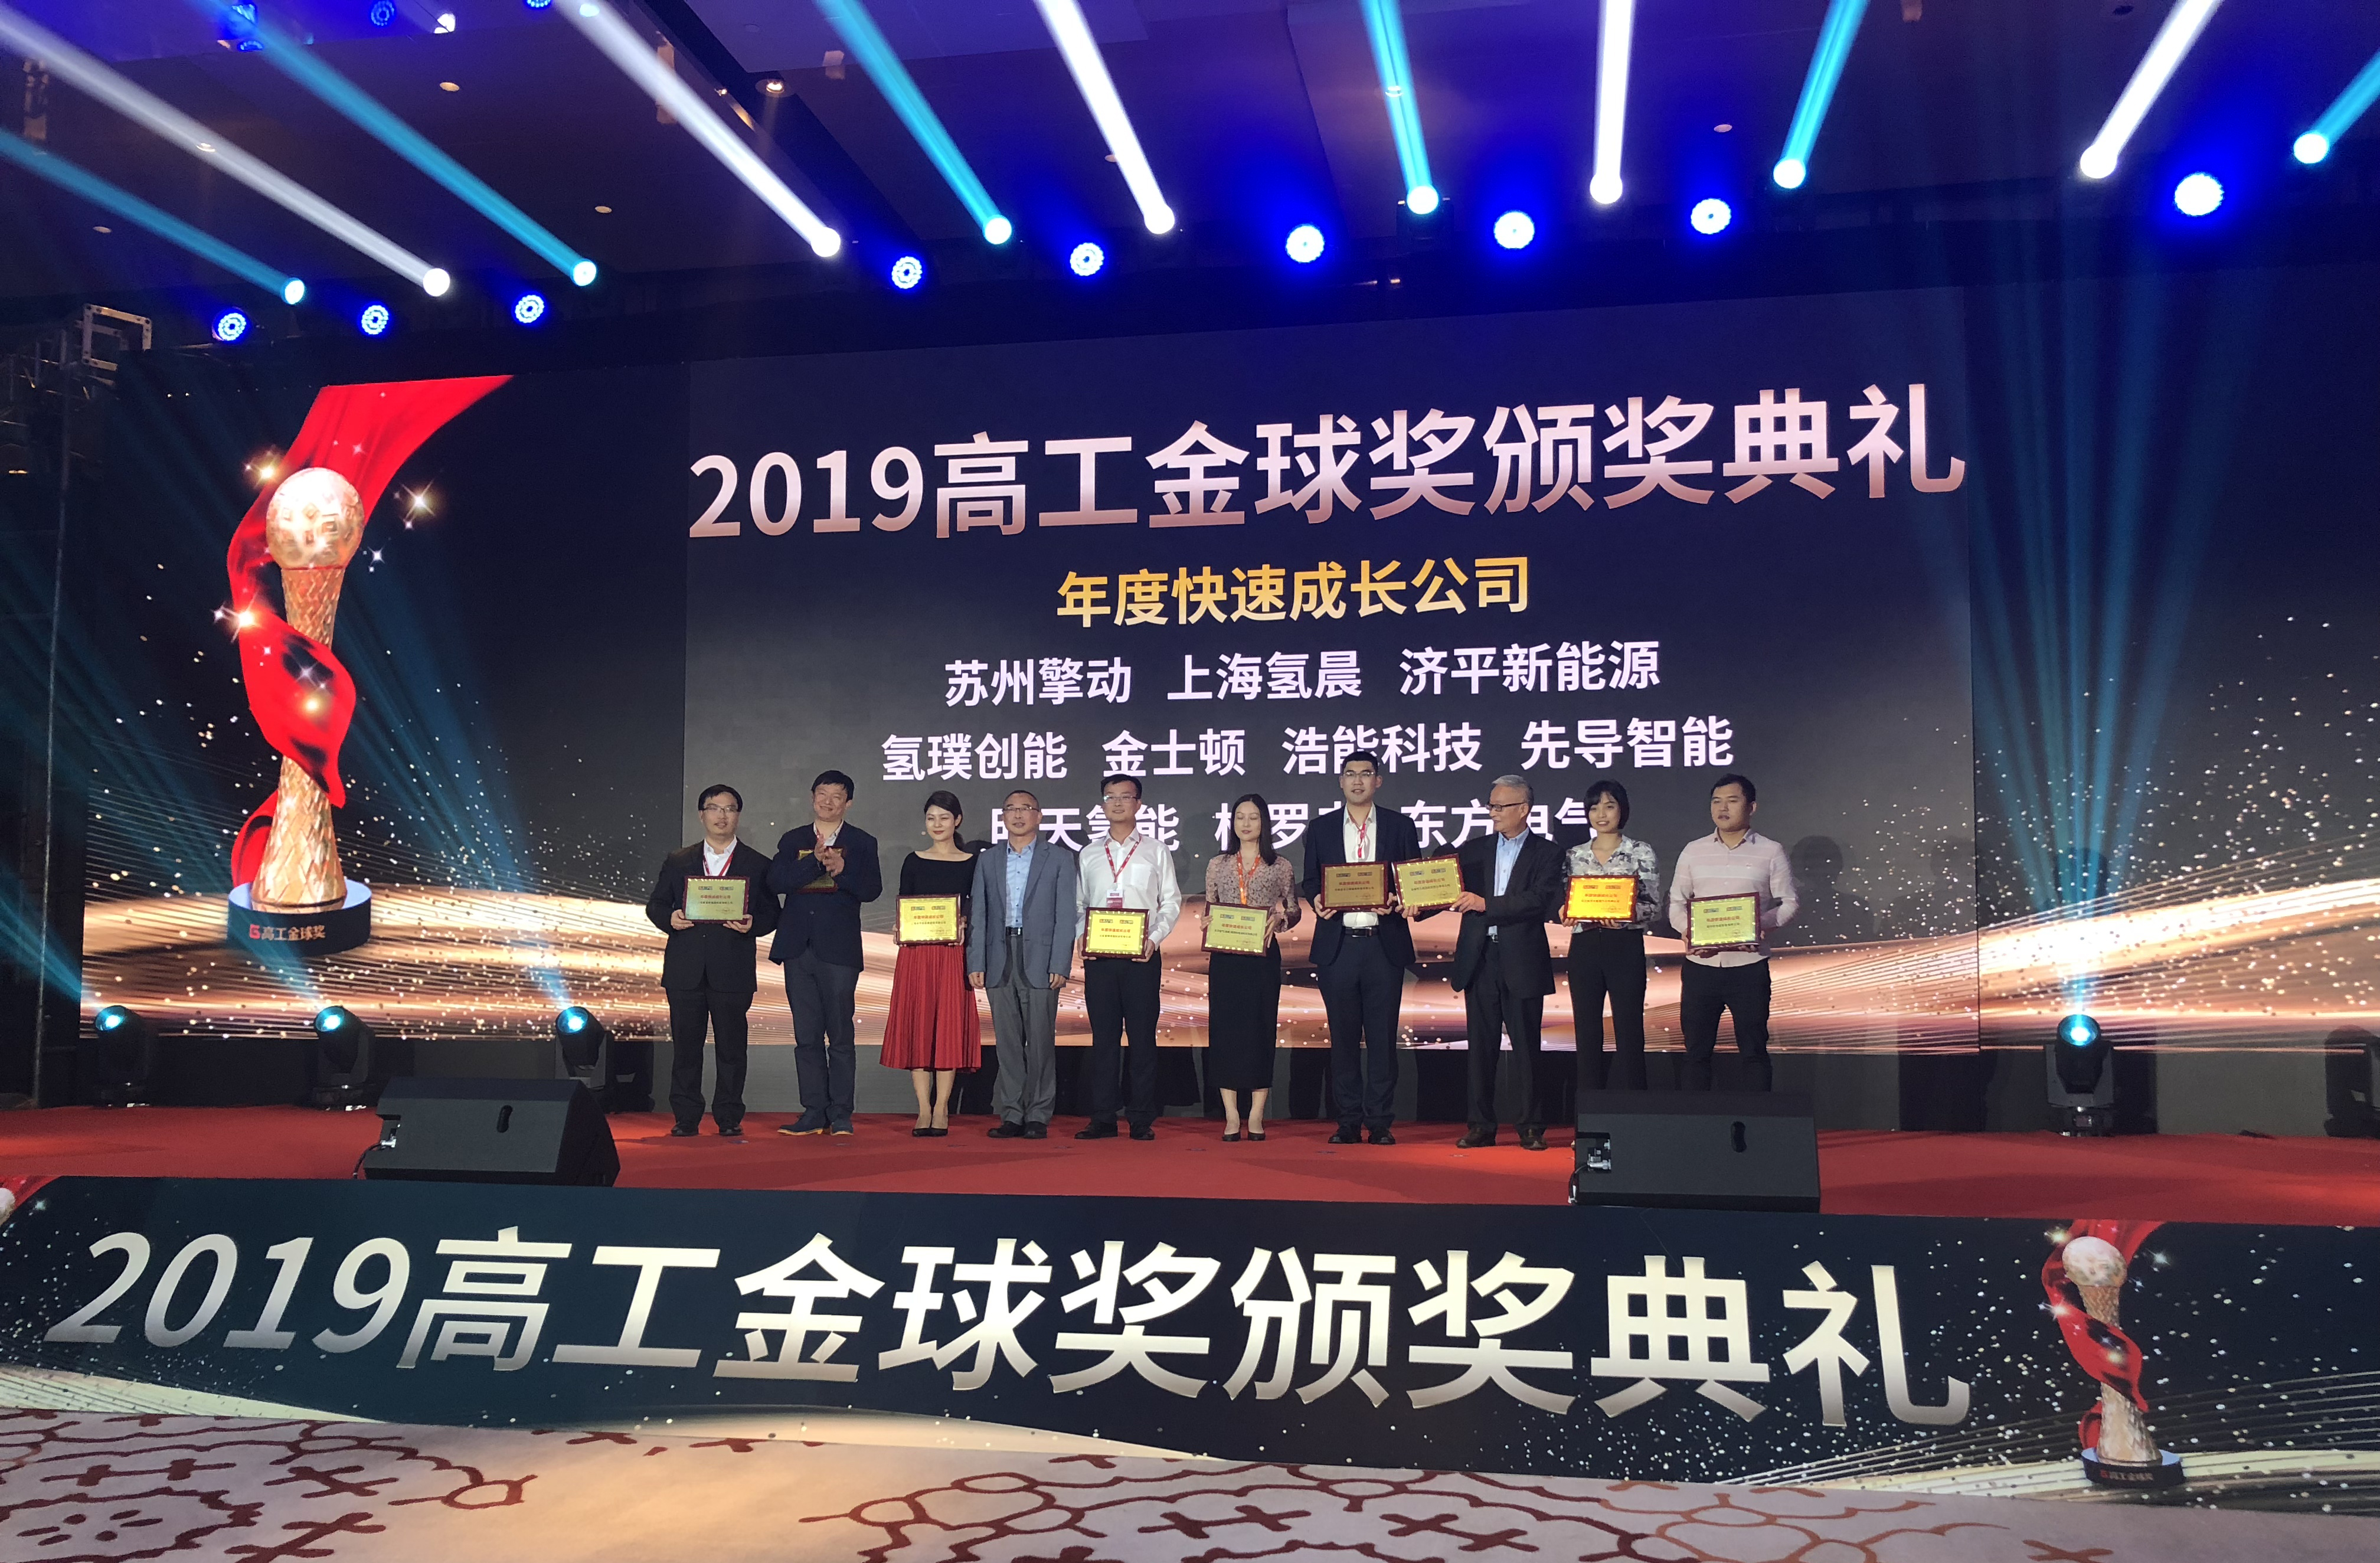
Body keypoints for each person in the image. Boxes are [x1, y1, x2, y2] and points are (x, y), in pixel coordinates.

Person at [1301, 750, 1428, 1146]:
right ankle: (1348, 1121)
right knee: (1343, 1040)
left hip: (1382, 945)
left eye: (1366, 774)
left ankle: (1380, 1122)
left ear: (1378, 781)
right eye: (1350, 774)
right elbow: (1310, 880)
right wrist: (1317, 900)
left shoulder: (1400, 826)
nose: (1358, 781)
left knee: (1382, 1039)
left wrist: (1399, 899)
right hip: (1338, 946)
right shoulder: (1321, 828)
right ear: (1341, 781)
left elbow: (1413, 879)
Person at [643, 784, 779, 1137]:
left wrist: (752, 925)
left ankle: (729, 1117)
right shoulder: (679, 860)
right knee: (686, 1049)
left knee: (732, 1049)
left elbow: (772, 914)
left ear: (738, 816)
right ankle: (686, 1117)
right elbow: (656, 904)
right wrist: (670, 918)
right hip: (685, 968)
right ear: (701, 815)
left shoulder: (757, 864)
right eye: (714, 808)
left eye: (730, 809)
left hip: (732, 969)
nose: (722, 815)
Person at [1449, 776, 1565, 1150]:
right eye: (1491, 806)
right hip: (1479, 957)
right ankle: (1481, 1126)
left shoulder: (1547, 853)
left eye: (1501, 807)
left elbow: (1538, 900)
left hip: (1522, 959)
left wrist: (1487, 905)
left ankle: (1531, 1127)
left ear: (1524, 809)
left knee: (1527, 1049)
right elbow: (1446, 889)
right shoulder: (1473, 849)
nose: (1493, 813)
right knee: (1480, 1049)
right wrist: (1416, 905)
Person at [767, 769, 882, 1135]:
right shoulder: (794, 839)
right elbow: (776, 881)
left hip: (839, 950)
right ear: (812, 797)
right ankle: (814, 1111)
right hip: (798, 948)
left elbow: (872, 890)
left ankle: (842, 1113)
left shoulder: (862, 842)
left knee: (841, 1036)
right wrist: (813, 862)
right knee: (807, 1036)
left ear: (849, 803)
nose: (828, 802)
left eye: (837, 796)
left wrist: (843, 870)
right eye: (822, 794)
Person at [1668, 772, 1799, 1091]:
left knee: (1754, 1051)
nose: (1722, 808)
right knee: (1696, 1052)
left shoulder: (1771, 851)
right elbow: (1676, 904)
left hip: (1749, 968)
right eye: (1716, 801)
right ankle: (1694, 1119)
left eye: (1732, 800)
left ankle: (1758, 1119)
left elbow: (1790, 903)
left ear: (1751, 807)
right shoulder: (1693, 851)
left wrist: (1760, 925)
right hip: (1701, 967)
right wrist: (1689, 933)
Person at [1075, 773, 1182, 1141]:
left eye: (1125, 797)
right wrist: (1082, 935)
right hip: (1100, 960)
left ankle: (1141, 1118)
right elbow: (1079, 905)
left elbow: (1171, 902)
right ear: (1102, 804)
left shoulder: (1156, 851)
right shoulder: (1089, 854)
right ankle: (1103, 1117)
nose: (1117, 803)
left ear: (1139, 804)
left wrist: (1154, 938)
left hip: (1142, 958)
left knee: (1142, 1039)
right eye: (1110, 797)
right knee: (1103, 1040)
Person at [969, 790, 1077, 1140]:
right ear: (1002, 816)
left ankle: (1039, 1114)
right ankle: (1012, 1113)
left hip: (1041, 958)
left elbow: (1066, 915)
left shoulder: (1059, 858)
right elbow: (979, 914)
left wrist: (1060, 961)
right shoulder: (988, 860)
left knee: (1041, 1040)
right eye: (1011, 809)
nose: (1018, 815)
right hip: (999, 955)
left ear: (1039, 816)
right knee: (1008, 1042)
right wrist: (976, 960)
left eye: (1025, 809)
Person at [1201, 792, 1301, 1142]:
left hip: (1262, 958)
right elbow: (1211, 906)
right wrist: (1207, 922)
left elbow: (1294, 910)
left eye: (1253, 817)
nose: (1246, 824)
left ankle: (1256, 1114)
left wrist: (1281, 919)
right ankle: (1231, 1115)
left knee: (1260, 1030)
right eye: (1240, 817)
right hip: (1226, 959)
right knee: (1225, 1032)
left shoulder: (1280, 865)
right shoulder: (1218, 864)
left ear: (1264, 822)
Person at [882, 790, 981, 1137]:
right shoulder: (914, 860)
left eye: (944, 818)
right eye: (931, 818)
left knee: (948, 1028)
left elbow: (978, 908)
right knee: (920, 1027)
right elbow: (905, 905)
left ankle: (942, 1109)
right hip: (916, 956)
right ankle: (923, 1109)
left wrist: (966, 922)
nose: (937, 824)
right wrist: (900, 926)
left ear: (958, 821)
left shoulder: (972, 863)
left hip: (953, 956)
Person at [1564, 778, 1662, 1091]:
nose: (1601, 814)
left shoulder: (1639, 851)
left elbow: (1653, 907)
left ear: (1623, 810)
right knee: (1587, 1031)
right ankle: (1589, 1110)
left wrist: (1623, 915)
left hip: (1624, 945)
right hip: (1585, 946)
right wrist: (1566, 911)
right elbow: (1565, 903)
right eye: (1594, 808)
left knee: (1629, 1029)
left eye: (1609, 806)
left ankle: (1634, 1109)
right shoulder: (1574, 855)